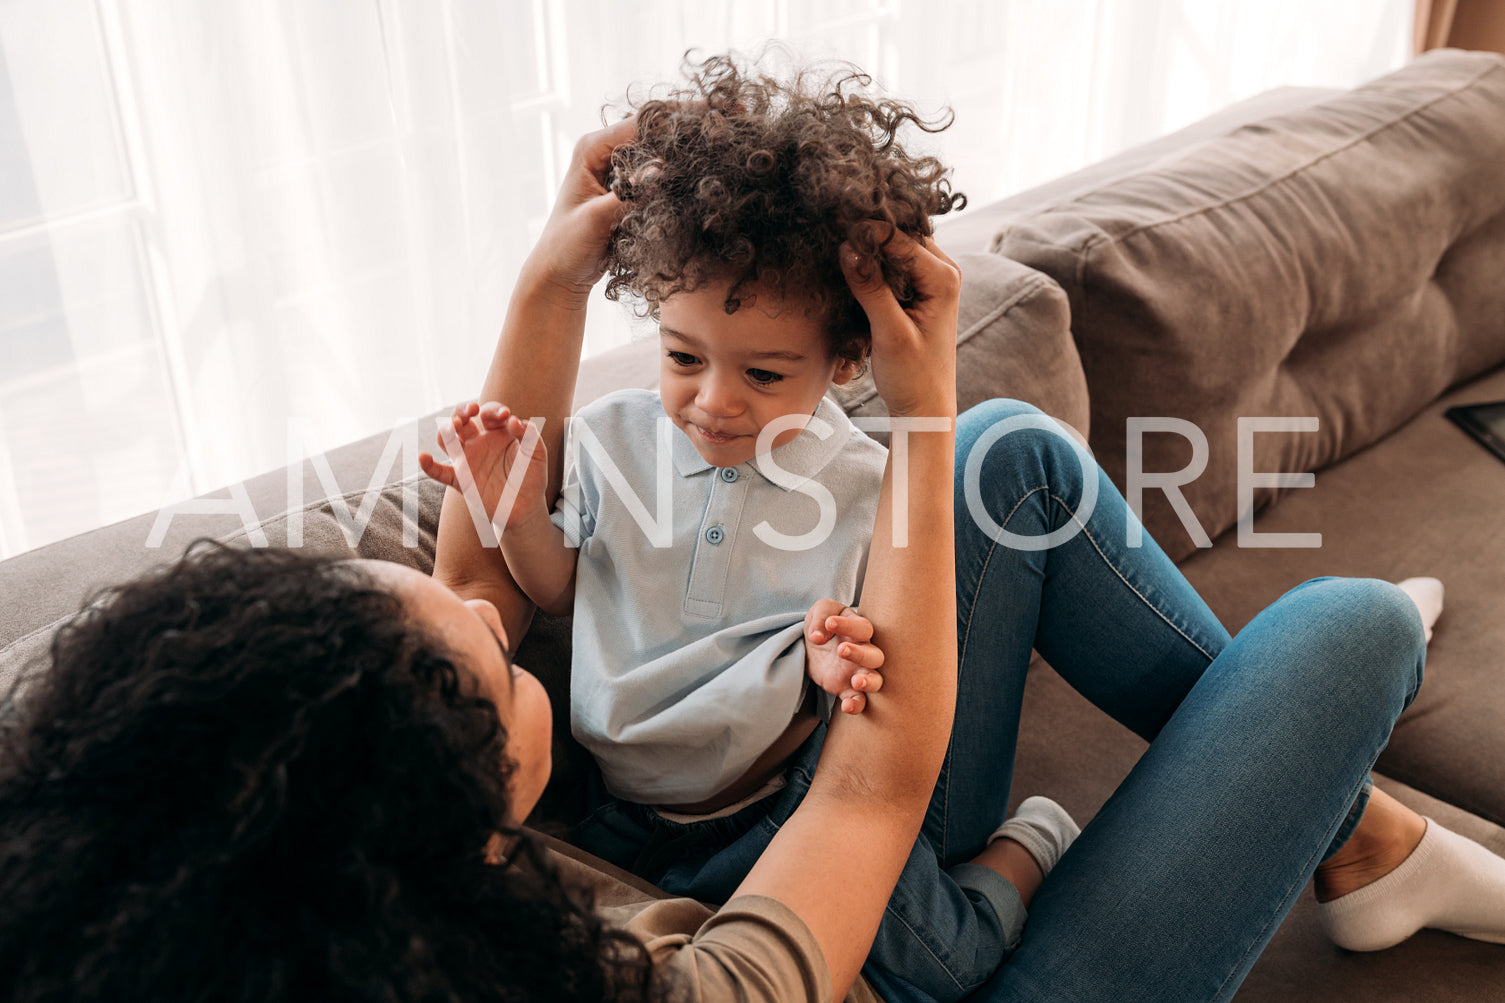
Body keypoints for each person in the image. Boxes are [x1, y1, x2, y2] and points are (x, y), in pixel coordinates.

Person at [4, 56, 1503, 1003]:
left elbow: (485, 580)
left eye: (761, 368)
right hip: (860, 905)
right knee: (1353, 623)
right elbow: (868, 790)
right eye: (478, 662)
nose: (476, 605)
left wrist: (544, 282)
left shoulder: (340, 887)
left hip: (792, 789)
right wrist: (911, 451)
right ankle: (1357, 821)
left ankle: (1355, 826)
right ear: (459, 829)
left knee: (1009, 455)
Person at [416, 53, 1079, 1000]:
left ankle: (1028, 845)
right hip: (622, 813)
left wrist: (829, 660)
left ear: (848, 359)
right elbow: (557, 587)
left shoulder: (866, 483)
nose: (713, 403)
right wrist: (514, 507)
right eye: (683, 355)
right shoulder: (609, 437)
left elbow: (871, 667)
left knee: (947, 962)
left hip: (774, 810)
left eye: (764, 375)